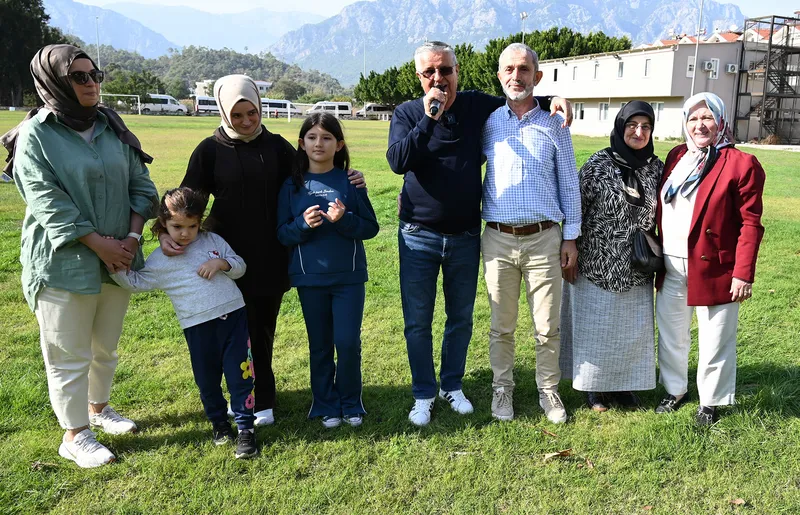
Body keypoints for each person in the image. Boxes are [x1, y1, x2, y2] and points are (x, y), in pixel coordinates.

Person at [387, 40, 572, 426]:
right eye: (429, 72)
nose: (438, 78)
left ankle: (452, 385)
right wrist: (430, 117)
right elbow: (398, 161)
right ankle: (424, 392)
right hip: (419, 235)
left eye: (446, 70)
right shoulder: (407, 113)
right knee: (418, 321)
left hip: (466, 236)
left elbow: (518, 95)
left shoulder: (476, 107)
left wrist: (552, 98)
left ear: (458, 72)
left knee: (461, 318)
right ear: (419, 76)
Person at [166, 75, 365, 427]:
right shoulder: (209, 150)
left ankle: (263, 400)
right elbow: (187, 202)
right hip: (222, 258)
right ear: (224, 113)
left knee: (261, 330)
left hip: (270, 255)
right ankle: (237, 394)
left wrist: (351, 177)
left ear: (260, 108)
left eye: (252, 113)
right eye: (237, 115)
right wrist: (166, 232)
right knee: (228, 331)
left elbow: (313, 170)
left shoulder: (275, 147)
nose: (246, 121)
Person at [3, 44, 159, 468]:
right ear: (53, 81)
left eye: (95, 75)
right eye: (79, 77)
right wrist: (100, 244)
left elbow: (142, 186)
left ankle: (99, 409)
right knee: (68, 354)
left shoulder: (111, 127)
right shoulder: (36, 135)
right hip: (63, 263)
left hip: (119, 258)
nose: (91, 83)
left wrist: (131, 239)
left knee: (105, 347)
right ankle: (74, 435)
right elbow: (46, 201)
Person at [112, 187, 258, 459]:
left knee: (240, 376)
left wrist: (221, 263)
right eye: (177, 227)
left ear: (200, 221)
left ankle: (246, 430)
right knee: (207, 380)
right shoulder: (160, 258)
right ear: (163, 223)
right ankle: (219, 425)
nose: (185, 233)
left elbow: (240, 266)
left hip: (233, 317)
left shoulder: (213, 240)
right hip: (197, 327)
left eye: (192, 226)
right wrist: (115, 264)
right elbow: (136, 282)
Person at [480, 43, 580, 424]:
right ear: (499, 75)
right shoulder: (489, 123)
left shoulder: (555, 124)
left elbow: (569, 183)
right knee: (501, 326)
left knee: (547, 325)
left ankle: (548, 390)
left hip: (544, 239)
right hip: (498, 240)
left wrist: (570, 237)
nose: (516, 76)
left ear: (537, 76)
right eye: (509, 69)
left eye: (524, 69)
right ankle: (502, 388)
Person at [655, 92, 765, 426]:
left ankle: (710, 401)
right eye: (693, 118)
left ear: (720, 121)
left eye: (707, 118)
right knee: (672, 333)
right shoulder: (677, 155)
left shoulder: (741, 163)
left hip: (715, 265)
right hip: (671, 262)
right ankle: (675, 390)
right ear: (685, 123)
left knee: (716, 337)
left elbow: (750, 223)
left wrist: (742, 273)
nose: (700, 125)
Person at [559, 101, 663, 413]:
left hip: (637, 265)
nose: (638, 132)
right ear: (620, 126)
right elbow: (574, 207)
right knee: (595, 328)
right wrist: (570, 245)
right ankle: (594, 388)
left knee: (629, 332)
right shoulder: (598, 164)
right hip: (596, 261)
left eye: (645, 126)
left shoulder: (657, 168)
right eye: (632, 125)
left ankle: (625, 387)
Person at [277, 113, 379, 428]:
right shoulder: (291, 185)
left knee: (347, 343)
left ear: (339, 144)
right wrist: (301, 225)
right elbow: (282, 234)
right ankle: (325, 403)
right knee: (320, 345)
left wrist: (344, 219)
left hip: (348, 279)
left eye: (326, 138)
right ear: (301, 143)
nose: (318, 144)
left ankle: (350, 402)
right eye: (312, 137)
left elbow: (370, 227)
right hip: (310, 279)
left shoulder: (350, 181)